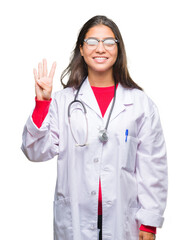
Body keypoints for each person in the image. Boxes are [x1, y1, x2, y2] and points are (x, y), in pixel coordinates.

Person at [21, 15, 168, 240]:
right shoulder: (63, 101)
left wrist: (149, 222)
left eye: (109, 42)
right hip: (75, 220)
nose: (100, 48)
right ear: (81, 49)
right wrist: (42, 104)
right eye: (92, 42)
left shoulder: (140, 104)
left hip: (123, 219)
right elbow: (35, 152)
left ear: (118, 49)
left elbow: (152, 165)